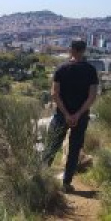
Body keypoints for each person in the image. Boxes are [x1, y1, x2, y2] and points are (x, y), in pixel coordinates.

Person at [42, 40, 99, 193]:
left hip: (61, 115)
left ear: (71, 50)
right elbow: (92, 96)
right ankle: (66, 184)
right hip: (81, 117)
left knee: (51, 147)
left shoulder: (61, 69)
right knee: (74, 150)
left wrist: (67, 114)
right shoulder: (90, 70)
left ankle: (41, 178)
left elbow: (55, 93)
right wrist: (78, 114)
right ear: (84, 50)